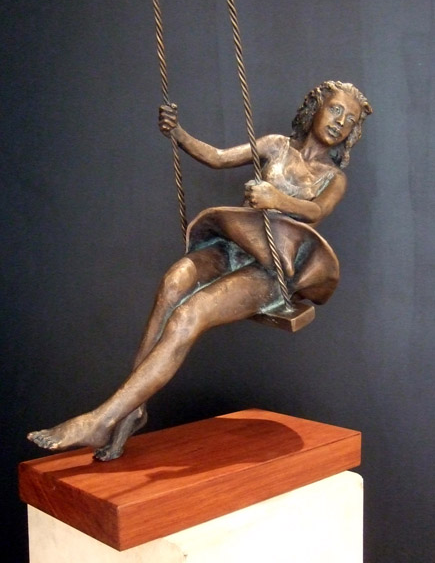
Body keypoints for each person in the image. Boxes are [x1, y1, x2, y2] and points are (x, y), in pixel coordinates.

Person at [28, 81, 372, 460]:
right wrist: (178, 133)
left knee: (189, 314)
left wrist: (278, 199)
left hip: (272, 270)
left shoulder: (333, 178)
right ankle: (132, 408)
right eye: (335, 109)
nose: (340, 122)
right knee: (174, 280)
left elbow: (317, 210)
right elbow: (218, 157)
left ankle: (102, 418)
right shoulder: (275, 145)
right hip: (233, 246)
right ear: (316, 108)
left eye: (350, 120)